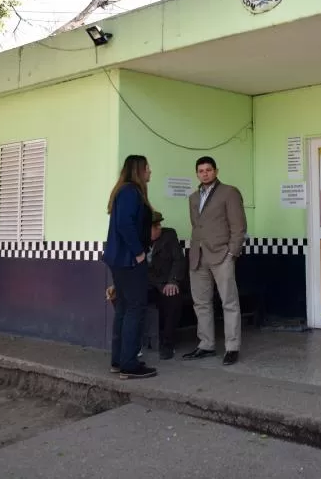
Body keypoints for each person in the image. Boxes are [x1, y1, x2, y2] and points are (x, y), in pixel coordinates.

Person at [183, 156, 248, 366]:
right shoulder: (193, 197)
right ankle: (206, 344)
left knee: (229, 302)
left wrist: (232, 253)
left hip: (222, 255)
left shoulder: (229, 192)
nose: (205, 174)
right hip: (198, 256)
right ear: (196, 174)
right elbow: (197, 226)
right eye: (201, 171)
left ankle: (232, 347)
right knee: (201, 303)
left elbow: (238, 226)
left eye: (208, 170)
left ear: (216, 171)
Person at [102, 155, 157, 379]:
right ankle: (129, 364)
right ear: (140, 170)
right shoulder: (130, 192)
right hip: (130, 261)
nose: (150, 171)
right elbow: (125, 224)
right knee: (135, 308)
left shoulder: (124, 191)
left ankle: (120, 361)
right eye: (148, 167)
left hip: (122, 260)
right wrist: (139, 253)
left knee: (124, 309)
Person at [145, 211, 187, 360]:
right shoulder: (137, 240)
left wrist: (172, 281)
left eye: (158, 226)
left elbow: (178, 261)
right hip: (150, 283)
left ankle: (167, 344)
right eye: (155, 226)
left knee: (173, 299)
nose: (159, 229)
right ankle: (133, 343)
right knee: (126, 298)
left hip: (167, 282)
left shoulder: (169, 235)